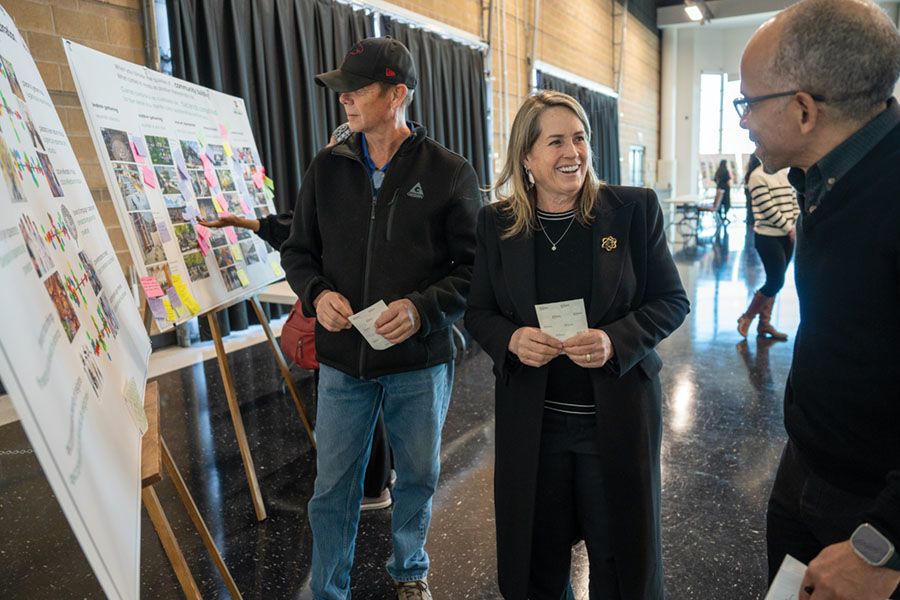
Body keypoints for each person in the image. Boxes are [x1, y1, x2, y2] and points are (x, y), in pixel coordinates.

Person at [465, 90, 689, 599]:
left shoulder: (631, 211)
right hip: (535, 427)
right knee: (536, 561)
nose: (574, 152)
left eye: (581, 138)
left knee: (620, 562)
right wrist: (513, 338)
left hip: (614, 422)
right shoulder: (497, 225)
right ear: (526, 156)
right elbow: (478, 312)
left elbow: (671, 301)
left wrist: (615, 340)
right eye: (557, 141)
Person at [279, 36, 481, 600]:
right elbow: (298, 252)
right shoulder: (327, 168)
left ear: (397, 95)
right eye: (341, 89)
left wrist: (421, 309)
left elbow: (474, 272)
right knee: (332, 487)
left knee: (417, 478)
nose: (344, 99)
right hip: (344, 362)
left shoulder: (449, 173)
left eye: (357, 89)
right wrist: (317, 295)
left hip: (419, 363)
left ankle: (410, 570)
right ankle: (328, 589)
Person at [737, 1, 900, 598]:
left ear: (804, 110)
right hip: (806, 463)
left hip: (870, 508)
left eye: (748, 103)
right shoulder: (824, 177)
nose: (742, 122)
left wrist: (881, 543)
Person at [199, 126, 395, 512]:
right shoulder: (352, 194)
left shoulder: (356, 199)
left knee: (360, 403)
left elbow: (301, 234)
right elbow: (295, 232)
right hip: (358, 321)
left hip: (348, 322)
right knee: (374, 399)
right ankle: (381, 477)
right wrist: (248, 224)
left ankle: (372, 487)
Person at [736, 164, 799, 340]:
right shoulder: (757, 176)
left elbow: (793, 199)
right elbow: (767, 208)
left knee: (776, 281)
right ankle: (747, 317)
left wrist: (794, 225)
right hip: (768, 237)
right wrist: (789, 228)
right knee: (776, 280)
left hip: (788, 236)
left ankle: (764, 324)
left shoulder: (782, 172)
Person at [712, 159, 732, 223]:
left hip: (719, 188)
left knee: (719, 203)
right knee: (726, 203)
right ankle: (725, 216)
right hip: (726, 189)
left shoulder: (718, 171)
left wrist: (719, 184)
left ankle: (720, 216)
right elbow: (728, 180)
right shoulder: (726, 171)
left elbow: (715, 179)